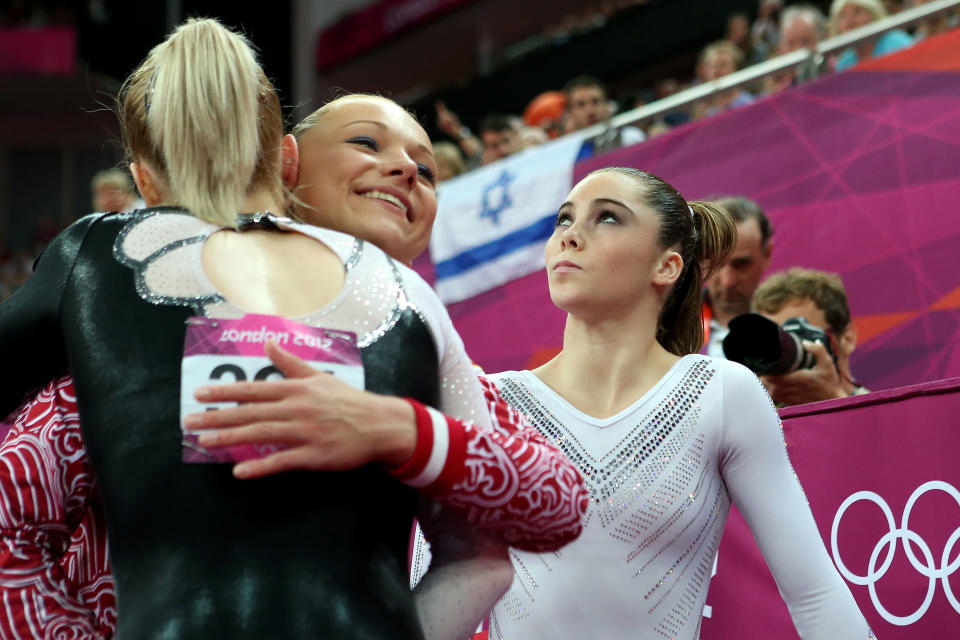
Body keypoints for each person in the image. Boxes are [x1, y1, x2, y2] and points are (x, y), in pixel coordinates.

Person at [0, 20, 561, 640]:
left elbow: (532, 517)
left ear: (144, 179)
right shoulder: (406, 304)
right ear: (290, 161)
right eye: (366, 143)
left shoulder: (103, 280)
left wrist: (396, 429)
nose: (401, 170)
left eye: (427, 169)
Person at [480, 167, 875, 638]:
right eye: (564, 219)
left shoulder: (722, 392)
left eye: (607, 218)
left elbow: (815, 595)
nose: (570, 236)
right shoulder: (487, 402)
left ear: (666, 266)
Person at [752, 267, 868, 405]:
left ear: (847, 338)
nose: (788, 350)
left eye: (800, 336)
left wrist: (832, 400)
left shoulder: (884, 413)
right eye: (777, 342)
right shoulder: (754, 419)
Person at [702, 196, 774, 358]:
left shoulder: (788, 329)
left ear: (767, 254)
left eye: (741, 264)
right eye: (716, 264)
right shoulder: (668, 326)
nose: (728, 281)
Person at [830, 0, 913, 72]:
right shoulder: (844, 63)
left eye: (857, 12)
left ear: (874, 14)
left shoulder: (896, 42)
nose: (850, 21)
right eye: (843, 15)